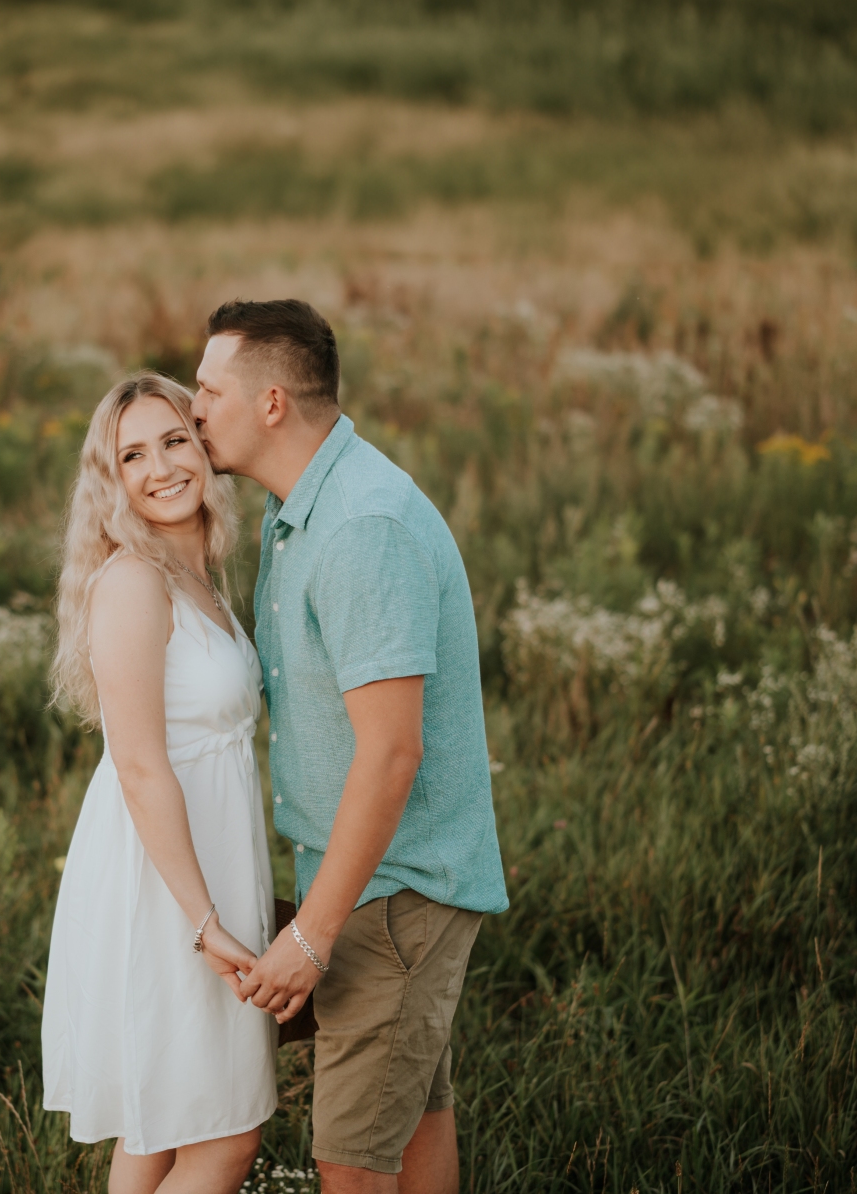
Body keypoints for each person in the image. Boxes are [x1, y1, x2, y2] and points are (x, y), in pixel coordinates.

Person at [191, 299, 508, 1194]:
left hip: (396, 890)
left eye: (209, 391)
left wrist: (312, 933)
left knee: (351, 1162)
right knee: (416, 1122)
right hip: (366, 877)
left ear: (273, 404)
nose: (193, 408)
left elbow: (392, 753)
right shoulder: (300, 507)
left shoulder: (362, 527)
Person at [42, 373, 277, 1194]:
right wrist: (204, 922)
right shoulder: (134, 582)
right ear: (111, 480)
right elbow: (140, 766)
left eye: (175, 440)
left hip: (208, 864)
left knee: (161, 1129)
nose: (161, 468)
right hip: (166, 888)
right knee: (224, 1137)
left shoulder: (200, 578)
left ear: (203, 446)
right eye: (132, 456)